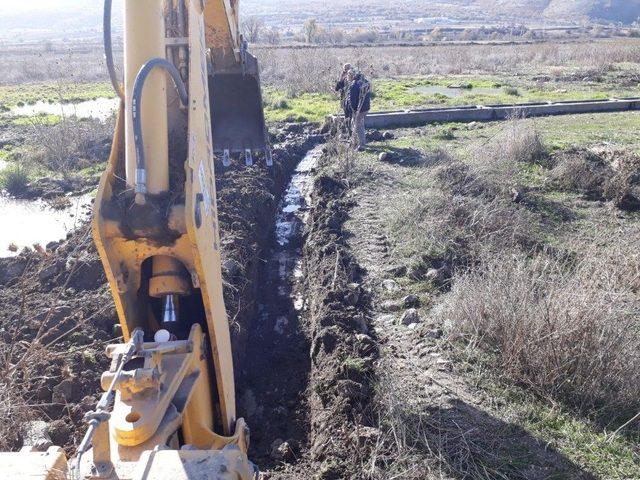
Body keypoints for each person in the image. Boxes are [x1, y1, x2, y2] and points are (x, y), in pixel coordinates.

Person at [348, 72, 371, 150]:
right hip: (366, 107)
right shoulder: (365, 82)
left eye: (348, 75)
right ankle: (356, 141)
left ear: (352, 76)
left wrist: (354, 110)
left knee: (358, 126)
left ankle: (361, 144)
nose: (347, 77)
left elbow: (353, 100)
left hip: (359, 109)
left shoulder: (354, 85)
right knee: (356, 124)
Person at [334, 64, 353, 132]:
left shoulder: (352, 78)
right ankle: (349, 131)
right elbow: (336, 88)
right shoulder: (344, 79)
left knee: (351, 117)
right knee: (347, 116)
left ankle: (351, 131)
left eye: (346, 69)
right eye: (345, 70)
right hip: (345, 100)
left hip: (351, 101)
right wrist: (341, 79)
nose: (345, 71)